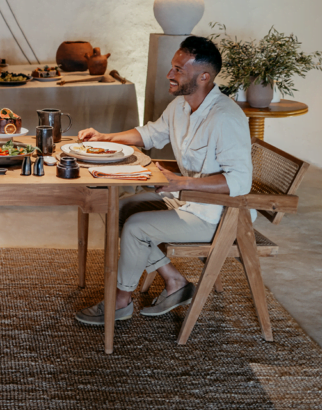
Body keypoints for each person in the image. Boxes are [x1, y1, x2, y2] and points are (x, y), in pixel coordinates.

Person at [74, 35, 253, 325]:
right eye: (172, 67)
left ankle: (121, 301)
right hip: (186, 200)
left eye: (178, 70)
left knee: (135, 228)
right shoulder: (181, 106)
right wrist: (105, 136)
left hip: (218, 214)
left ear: (204, 77)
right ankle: (174, 280)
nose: (170, 74)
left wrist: (181, 183)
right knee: (118, 209)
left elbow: (239, 183)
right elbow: (150, 134)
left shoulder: (225, 118)